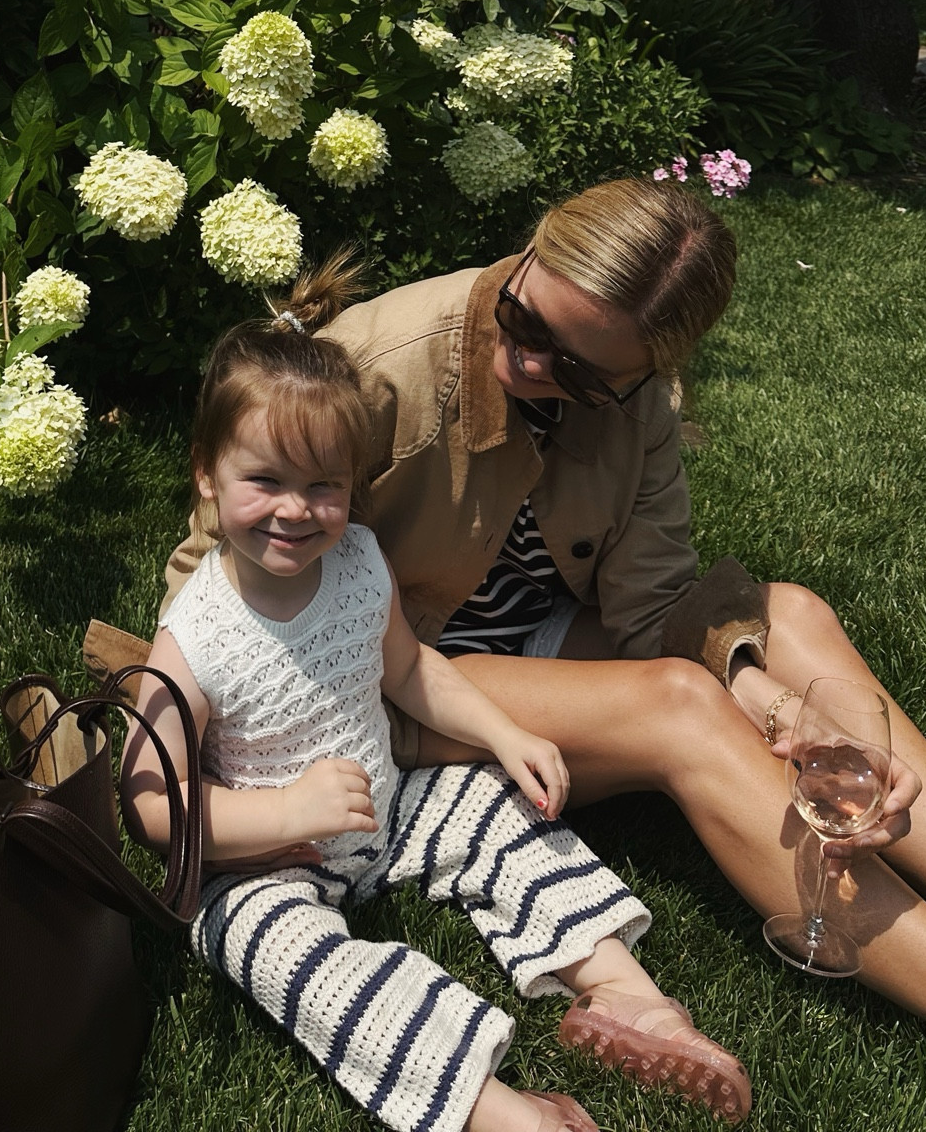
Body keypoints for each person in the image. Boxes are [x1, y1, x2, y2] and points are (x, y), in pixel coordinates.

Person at [115, 176, 926, 1075]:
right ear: (531, 253)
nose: (529, 362)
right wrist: (215, 771)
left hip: (527, 648)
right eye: (522, 318)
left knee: (793, 620)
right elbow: (211, 585)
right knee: (681, 703)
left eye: (578, 370)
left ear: (644, 374)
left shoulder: (639, 411)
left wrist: (781, 711)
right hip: (378, 679)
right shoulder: (380, 367)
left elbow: (657, 605)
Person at [123, 281, 753, 1132]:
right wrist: (284, 811)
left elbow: (412, 670)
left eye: (324, 486)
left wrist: (505, 731)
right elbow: (151, 803)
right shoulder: (194, 633)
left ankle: (622, 995)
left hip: (388, 805)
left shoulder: (355, 561)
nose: (297, 510)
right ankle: (498, 1108)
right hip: (263, 860)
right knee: (270, 952)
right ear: (205, 475)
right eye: (263, 480)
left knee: (500, 813)